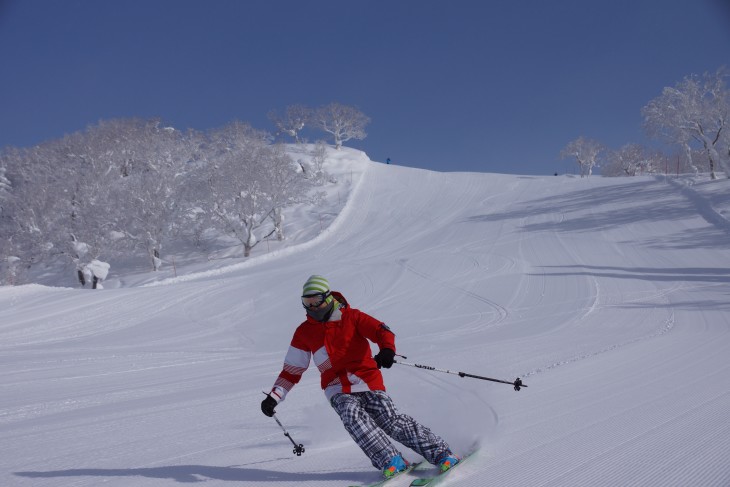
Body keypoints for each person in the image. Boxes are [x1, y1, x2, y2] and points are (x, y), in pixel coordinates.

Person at [261, 275, 460, 479]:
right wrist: (274, 396)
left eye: (316, 301)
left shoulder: (352, 317)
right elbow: (292, 370)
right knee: (352, 416)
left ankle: (441, 453)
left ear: (328, 298)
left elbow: (382, 331)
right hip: (336, 386)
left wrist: (387, 350)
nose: (311, 307)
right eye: (306, 302)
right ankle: (391, 460)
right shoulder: (304, 332)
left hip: (366, 378)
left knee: (389, 420)